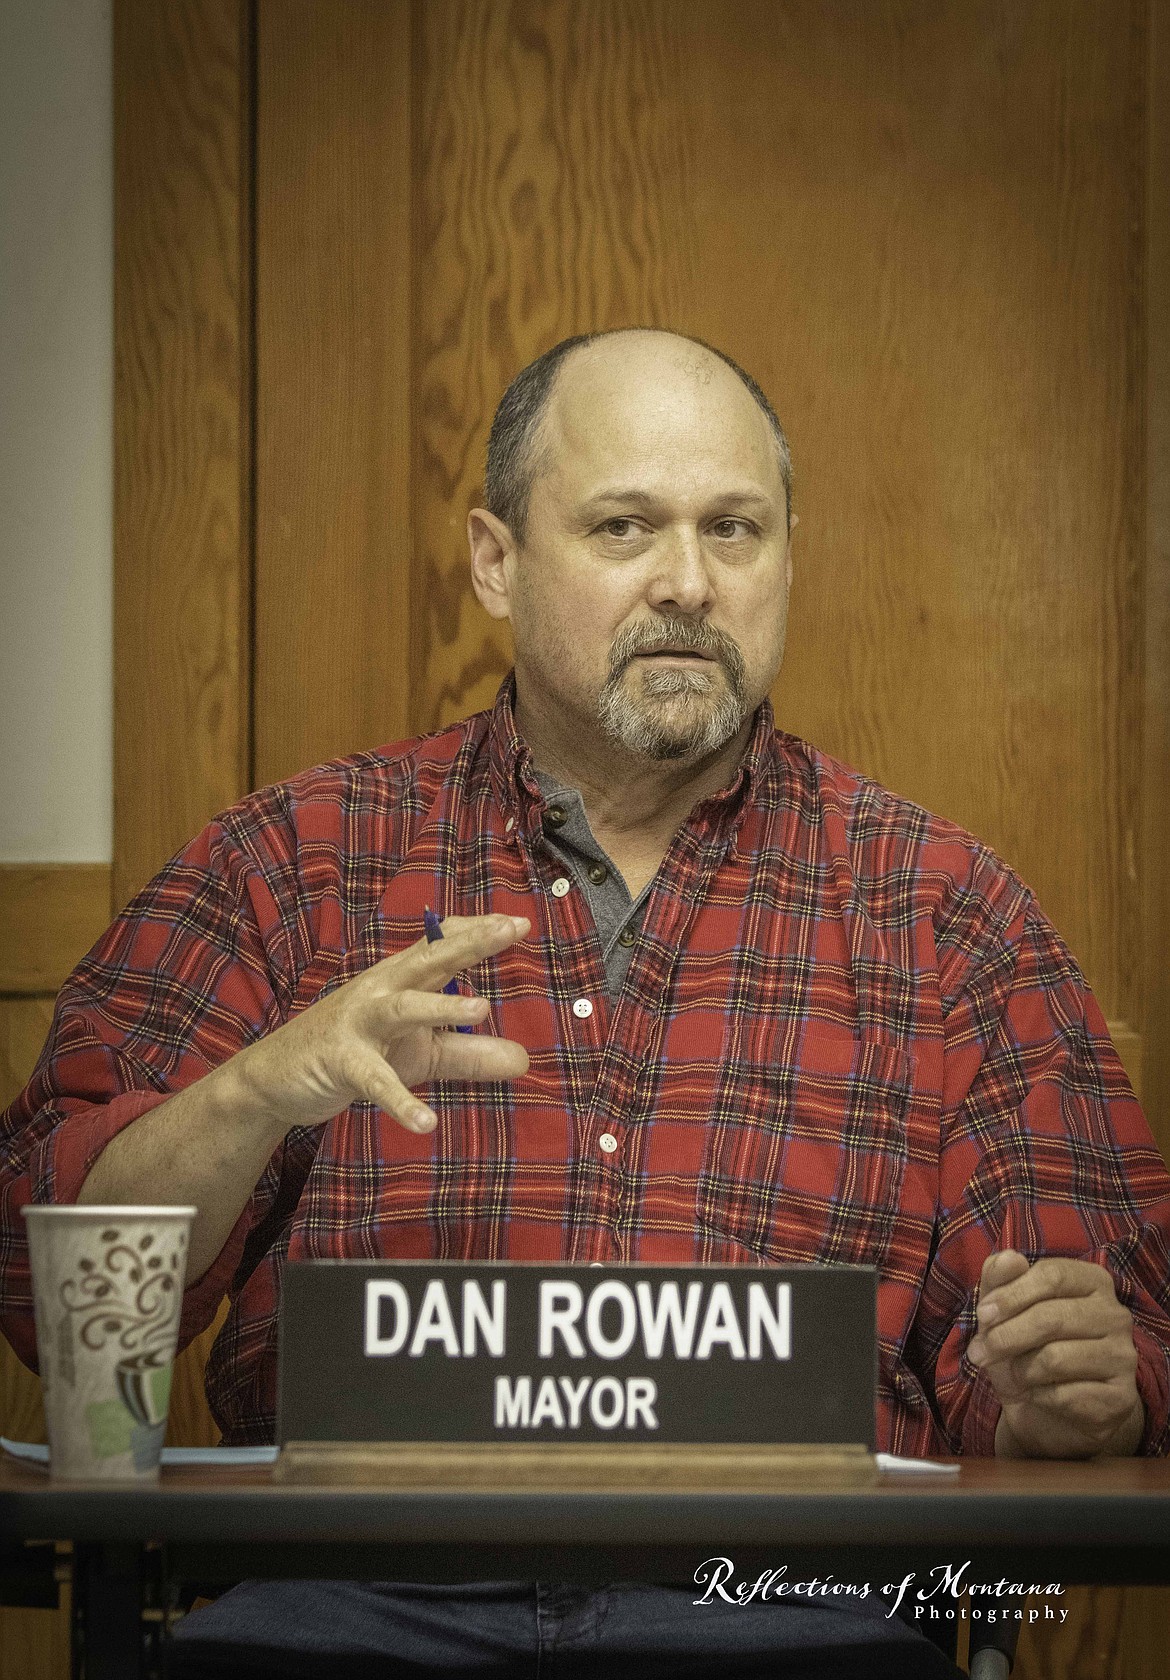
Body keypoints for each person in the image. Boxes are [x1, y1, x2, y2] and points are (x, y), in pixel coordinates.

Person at [3, 327, 1169, 1677]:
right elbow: (45, 1293)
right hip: (342, 1613)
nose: (687, 581)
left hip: (792, 1623)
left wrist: (1071, 1397)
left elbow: (1116, 1357)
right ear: (495, 560)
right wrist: (258, 1090)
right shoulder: (289, 865)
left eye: (733, 528)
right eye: (624, 526)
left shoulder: (948, 914)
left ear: (789, 553)